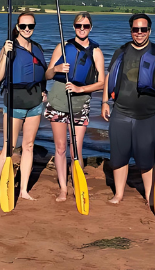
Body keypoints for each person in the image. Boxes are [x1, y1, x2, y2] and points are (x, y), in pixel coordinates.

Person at [102, 13, 155, 205]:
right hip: (121, 112)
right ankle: (118, 194)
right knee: (119, 155)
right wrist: (104, 102)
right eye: (135, 29)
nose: (139, 33)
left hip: (148, 115)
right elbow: (109, 77)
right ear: (131, 30)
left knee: (146, 158)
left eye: (143, 29)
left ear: (149, 31)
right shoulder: (121, 51)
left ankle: (149, 195)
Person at [44, 12, 106, 202]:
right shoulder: (62, 46)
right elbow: (46, 75)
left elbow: (102, 83)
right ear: (73, 27)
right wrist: (56, 69)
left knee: (75, 150)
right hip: (58, 101)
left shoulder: (96, 51)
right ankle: (63, 188)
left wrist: (81, 88)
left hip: (80, 104)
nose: (82, 29)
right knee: (61, 147)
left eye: (85, 26)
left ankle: (76, 183)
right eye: (79, 26)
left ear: (90, 28)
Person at [0, 12, 47, 206]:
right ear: (17, 27)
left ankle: (23, 190)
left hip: (35, 104)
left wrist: (44, 91)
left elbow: (42, 73)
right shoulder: (9, 48)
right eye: (23, 26)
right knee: (9, 148)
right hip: (15, 104)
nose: (27, 29)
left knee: (28, 146)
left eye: (31, 26)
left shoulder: (37, 47)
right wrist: (5, 52)